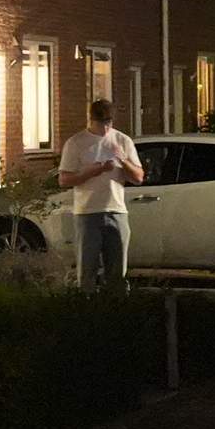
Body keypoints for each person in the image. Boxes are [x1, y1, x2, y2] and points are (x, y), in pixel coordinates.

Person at [56, 97, 145, 288]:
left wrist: (123, 161)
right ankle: (88, 305)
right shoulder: (76, 143)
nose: (105, 129)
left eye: (108, 123)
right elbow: (64, 179)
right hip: (88, 212)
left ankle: (116, 306)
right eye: (100, 123)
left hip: (117, 210)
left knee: (117, 271)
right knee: (87, 269)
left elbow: (138, 177)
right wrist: (93, 171)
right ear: (91, 120)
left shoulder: (122, 141)